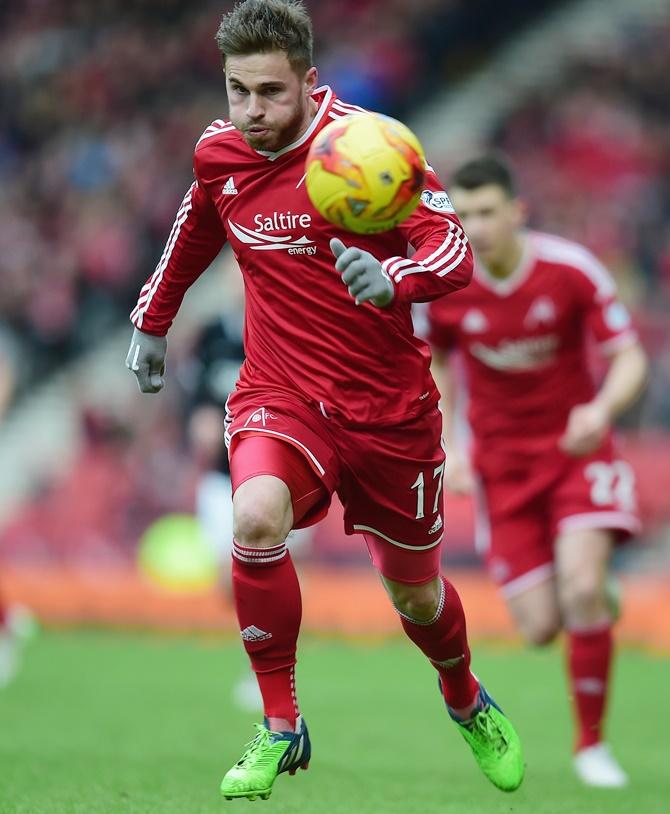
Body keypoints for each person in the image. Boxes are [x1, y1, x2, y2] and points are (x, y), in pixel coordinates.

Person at [126, 0, 524, 801]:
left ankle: (464, 696)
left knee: (415, 593)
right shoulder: (221, 153)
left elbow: (452, 250)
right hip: (281, 393)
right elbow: (199, 224)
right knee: (253, 518)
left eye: (270, 92)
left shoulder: (370, 148)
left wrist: (398, 278)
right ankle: (281, 725)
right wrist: (153, 319)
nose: (252, 112)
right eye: (238, 91)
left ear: (310, 82)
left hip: (389, 411)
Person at [427, 155, 648, 788]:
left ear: (517, 211)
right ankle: (598, 597)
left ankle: (591, 747)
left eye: (488, 211)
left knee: (579, 587)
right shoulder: (447, 285)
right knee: (539, 628)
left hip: (576, 453)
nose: (476, 225)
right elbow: (436, 368)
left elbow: (628, 355)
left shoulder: (569, 271)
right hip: (503, 470)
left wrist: (600, 408)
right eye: (464, 214)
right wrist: (451, 442)